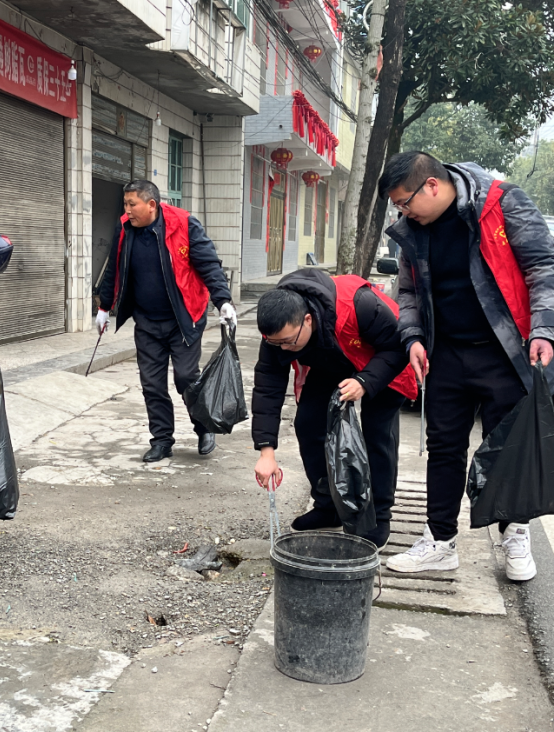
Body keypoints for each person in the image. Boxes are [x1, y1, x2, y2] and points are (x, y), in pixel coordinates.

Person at [379, 151, 554, 581]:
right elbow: (409, 290)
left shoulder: (502, 202)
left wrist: (544, 328)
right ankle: (440, 541)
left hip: (505, 351)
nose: (404, 212)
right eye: (398, 208)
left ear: (431, 186)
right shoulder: (415, 230)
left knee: (506, 448)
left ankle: (515, 533)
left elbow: (543, 266)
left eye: (405, 202)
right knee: (444, 447)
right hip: (446, 351)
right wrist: (412, 337)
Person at [251, 269, 417, 549]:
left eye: (289, 342)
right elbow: (267, 388)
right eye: (276, 343)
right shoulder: (278, 335)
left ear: (307, 320)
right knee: (308, 423)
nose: (284, 349)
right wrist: (266, 451)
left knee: (377, 434)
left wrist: (364, 381)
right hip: (335, 360)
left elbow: (397, 347)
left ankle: (379, 517)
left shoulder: (359, 305)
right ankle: (328, 506)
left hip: (385, 359)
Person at [96, 180, 235, 462]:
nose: (126, 210)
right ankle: (161, 441)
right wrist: (104, 307)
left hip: (183, 318)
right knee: (152, 384)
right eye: (125, 204)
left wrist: (223, 301)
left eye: (131, 204)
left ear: (151, 205)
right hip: (146, 320)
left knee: (186, 378)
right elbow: (114, 266)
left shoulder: (184, 225)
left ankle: (204, 427)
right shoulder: (124, 228)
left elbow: (209, 264)